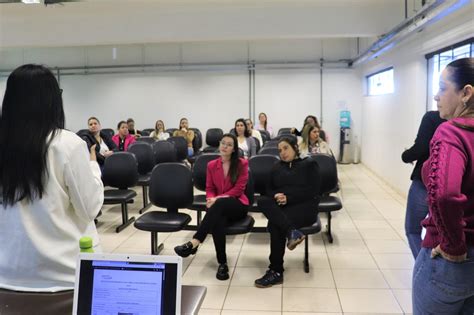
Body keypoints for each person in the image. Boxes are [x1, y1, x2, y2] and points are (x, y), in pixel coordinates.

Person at [0, 64, 104, 292]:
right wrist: (94, 166)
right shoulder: (66, 144)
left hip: (7, 277)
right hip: (65, 278)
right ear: (50, 101)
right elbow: (90, 209)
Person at [412, 57, 474, 314]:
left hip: (452, 264)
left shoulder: (451, 132)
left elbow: (445, 195)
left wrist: (453, 245)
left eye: (442, 87)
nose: (436, 96)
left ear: (466, 93)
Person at [174, 134, 249, 280]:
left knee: (218, 206)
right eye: (223, 143)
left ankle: (195, 241)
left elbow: (239, 190)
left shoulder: (242, 164)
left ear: (234, 149)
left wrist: (217, 199)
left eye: (229, 144)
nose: (225, 146)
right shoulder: (211, 165)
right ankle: (222, 264)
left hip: (237, 204)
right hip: (218, 206)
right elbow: (209, 187)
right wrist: (210, 198)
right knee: (217, 222)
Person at [255, 137, 320, 288]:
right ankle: (292, 232)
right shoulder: (277, 167)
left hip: (305, 207)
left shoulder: (309, 164)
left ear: (295, 147)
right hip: (285, 208)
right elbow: (268, 190)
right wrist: (275, 196)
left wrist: (289, 198)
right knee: (263, 201)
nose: (282, 153)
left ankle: (276, 271)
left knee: (275, 224)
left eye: (286, 148)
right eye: (280, 150)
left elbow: (314, 191)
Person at [401, 111, 444, 258]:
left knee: (412, 229)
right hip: (456, 189)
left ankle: (424, 266)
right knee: (439, 232)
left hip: (425, 183)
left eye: (443, 89)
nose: (437, 96)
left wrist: (405, 156)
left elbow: (420, 148)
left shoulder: (433, 117)